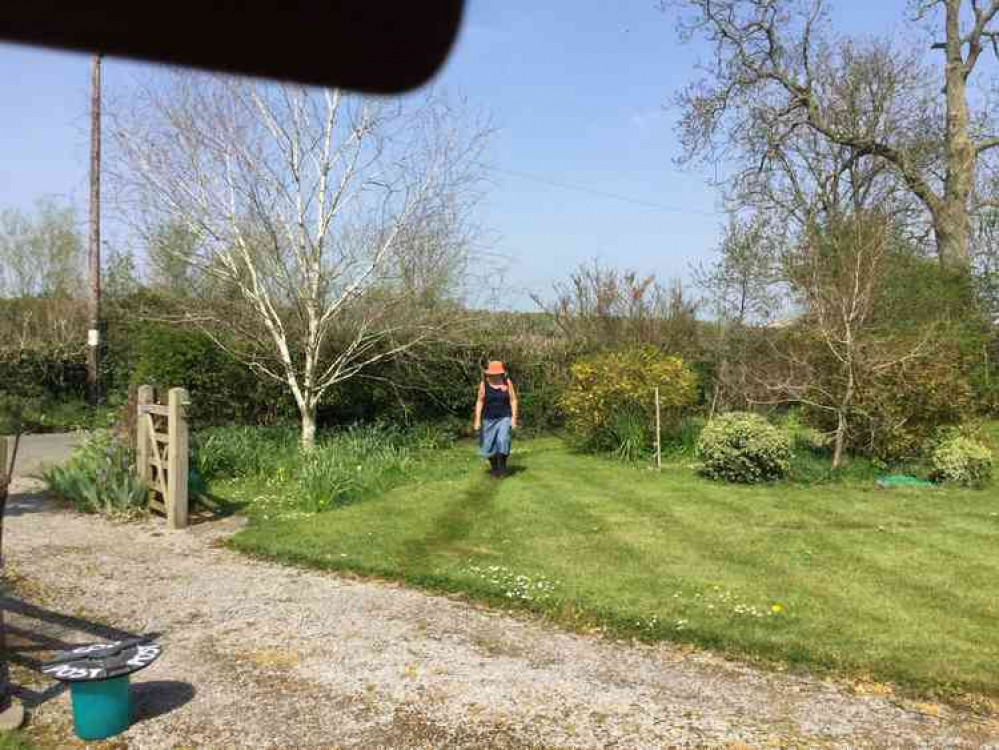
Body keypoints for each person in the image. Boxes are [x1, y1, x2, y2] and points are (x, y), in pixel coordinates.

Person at [473, 360, 518, 478]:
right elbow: (480, 401)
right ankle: (494, 468)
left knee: (503, 440)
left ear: (501, 373)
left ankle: (502, 469)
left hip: (504, 417)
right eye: (492, 373)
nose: (494, 375)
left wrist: (513, 418)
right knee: (489, 444)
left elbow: (513, 400)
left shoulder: (507, 383)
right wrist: (477, 420)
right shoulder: (484, 384)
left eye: (497, 373)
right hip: (488, 419)